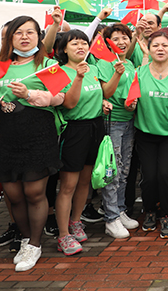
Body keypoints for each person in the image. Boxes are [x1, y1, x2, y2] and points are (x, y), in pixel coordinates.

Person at [0, 16, 64, 271]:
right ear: (10, 38)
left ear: (39, 36)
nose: (24, 37)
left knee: (34, 192)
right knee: (13, 193)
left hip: (38, 133)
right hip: (8, 135)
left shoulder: (48, 65)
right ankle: (24, 239)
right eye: (18, 33)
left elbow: (61, 98)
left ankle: (34, 244)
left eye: (30, 32)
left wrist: (30, 94)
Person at [53, 30, 123, 253]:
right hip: (74, 131)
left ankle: (76, 221)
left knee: (85, 182)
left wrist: (117, 75)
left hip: (96, 127)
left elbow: (105, 93)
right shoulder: (60, 72)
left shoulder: (93, 68)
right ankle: (63, 234)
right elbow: (69, 104)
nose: (81, 47)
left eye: (84, 43)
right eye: (75, 43)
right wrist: (78, 77)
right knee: (68, 186)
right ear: (64, 49)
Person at [130, 30, 168, 238]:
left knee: (165, 175)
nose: (160, 49)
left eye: (165, 45)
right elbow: (130, 102)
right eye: (155, 45)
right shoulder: (139, 73)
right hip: (145, 135)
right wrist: (130, 104)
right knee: (148, 177)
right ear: (148, 48)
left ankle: (166, 214)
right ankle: (149, 211)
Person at [98, 24, 141, 238]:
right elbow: (106, 92)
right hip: (112, 122)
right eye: (116, 38)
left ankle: (120, 209)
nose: (121, 42)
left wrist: (132, 104)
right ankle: (111, 218)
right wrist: (116, 73)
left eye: (125, 38)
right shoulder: (104, 63)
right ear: (108, 43)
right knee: (112, 172)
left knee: (124, 170)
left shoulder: (130, 63)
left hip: (128, 121)